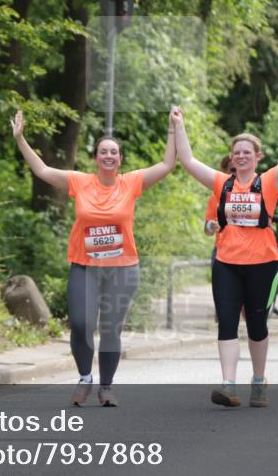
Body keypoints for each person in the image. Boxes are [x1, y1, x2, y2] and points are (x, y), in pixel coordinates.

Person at [10, 110, 176, 408]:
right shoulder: (80, 181)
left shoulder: (131, 183)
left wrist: (173, 128)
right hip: (85, 266)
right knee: (81, 324)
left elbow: (167, 164)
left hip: (122, 269)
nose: (108, 156)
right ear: (96, 158)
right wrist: (20, 138)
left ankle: (106, 387)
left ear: (120, 159)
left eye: (114, 152)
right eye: (103, 152)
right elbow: (43, 170)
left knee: (111, 329)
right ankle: (85, 377)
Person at [171, 100, 278, 409]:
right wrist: (179, 125)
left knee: (257, 326)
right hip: (227, 263)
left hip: (263, 264)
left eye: (247, 152)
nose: (242, 156)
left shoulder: (269, 181)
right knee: (227, 323)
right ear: (232, 159)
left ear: (257, 157)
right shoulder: (223, 184)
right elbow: (189, 161)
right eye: (237, 153)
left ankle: (259, 381)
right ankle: (229, 385)